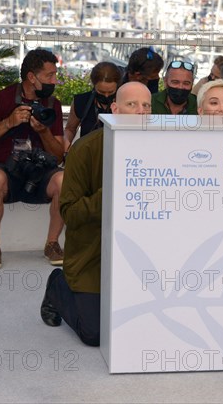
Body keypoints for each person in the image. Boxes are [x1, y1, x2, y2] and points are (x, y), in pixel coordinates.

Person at [40, 82, 152, 346]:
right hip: (93, 255)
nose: (140, 112)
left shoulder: (159, 147)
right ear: (114, 108)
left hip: (139, 256)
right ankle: (58, 287)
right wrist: (112, 192)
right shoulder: (86, 149)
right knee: (95, 334)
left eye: (146, 106)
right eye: (131, 104)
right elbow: (70, 212)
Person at [0, 49, 65, 269]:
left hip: (40, 173)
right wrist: (8, 123)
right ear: (32, 77)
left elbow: (59, 155)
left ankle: (52, 243)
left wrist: (43, 132)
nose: (55, 81)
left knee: (64, 180)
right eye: (50, 76)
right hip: (5, 170)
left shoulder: (52, 105)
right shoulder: (1, 99)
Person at [64, 62, 121, 150]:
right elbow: (70, 129)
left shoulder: (124, 102)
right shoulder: (82, 101)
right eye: (101, 92)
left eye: (111, 92)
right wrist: (66, 147)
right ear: (94, 85)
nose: (106, 96)